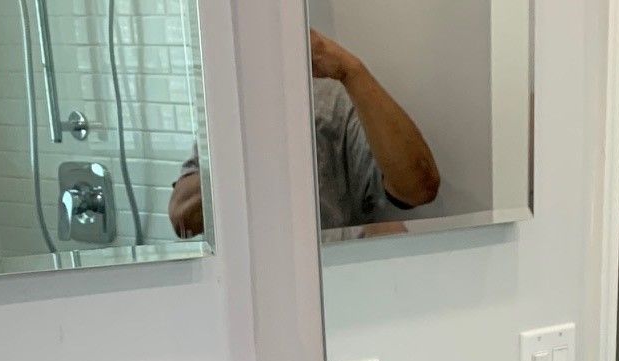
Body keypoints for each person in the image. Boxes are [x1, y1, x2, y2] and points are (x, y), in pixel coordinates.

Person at [170, 28, 439, 238]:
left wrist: (352, 72)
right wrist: (249, 134)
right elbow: (183, 219)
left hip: (335, 281)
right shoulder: (231, 114)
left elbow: (419, 189)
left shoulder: (334, 104)